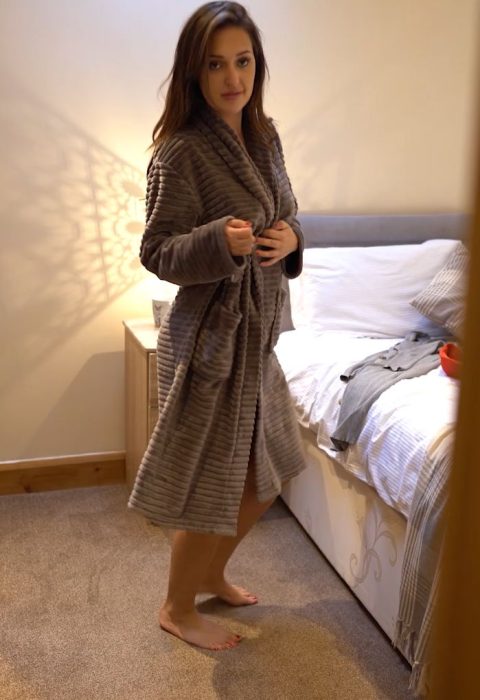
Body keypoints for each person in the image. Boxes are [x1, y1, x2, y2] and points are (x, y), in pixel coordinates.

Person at [128, 0, 306, 651]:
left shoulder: (265, 136)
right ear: (193, 72)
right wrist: (215, 243)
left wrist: (292, 238)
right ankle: (177, 607)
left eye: (244, 61)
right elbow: (156, 251)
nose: (234, 78)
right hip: (210, 340)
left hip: (258, 338)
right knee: (210, 481)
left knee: (267, 473)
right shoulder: (180, 153)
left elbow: (287, 211)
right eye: (216, 65)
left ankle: (210, 574)